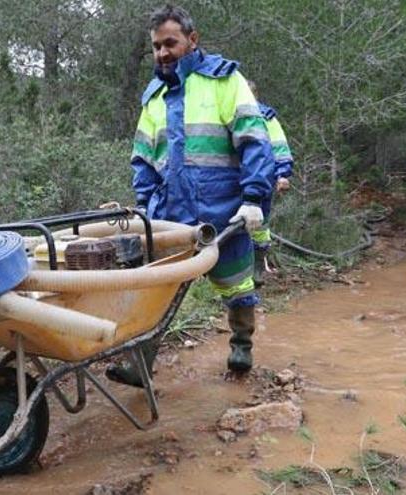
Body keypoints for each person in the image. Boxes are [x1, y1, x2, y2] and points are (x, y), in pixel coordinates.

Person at [106, 4, 276, 387]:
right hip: (171, 217)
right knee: (156, 292)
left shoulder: (225, 81)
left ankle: (241, 346)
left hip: (224, 211)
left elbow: (254, 141)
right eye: (156, 46)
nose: (163, 52)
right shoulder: (153, 98)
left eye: (170, 43)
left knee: (236, 285)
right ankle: (141, 364)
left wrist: (253, 198)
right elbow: (143, 161)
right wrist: (147, 208)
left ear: (192, 39)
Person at [247, 81, 294, 286]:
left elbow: (279, 146)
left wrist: (282, 174)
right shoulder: (226, 115)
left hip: (262, 177)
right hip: (232, 179)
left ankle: (257, 266)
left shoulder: (266, 118)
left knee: (259, 222)